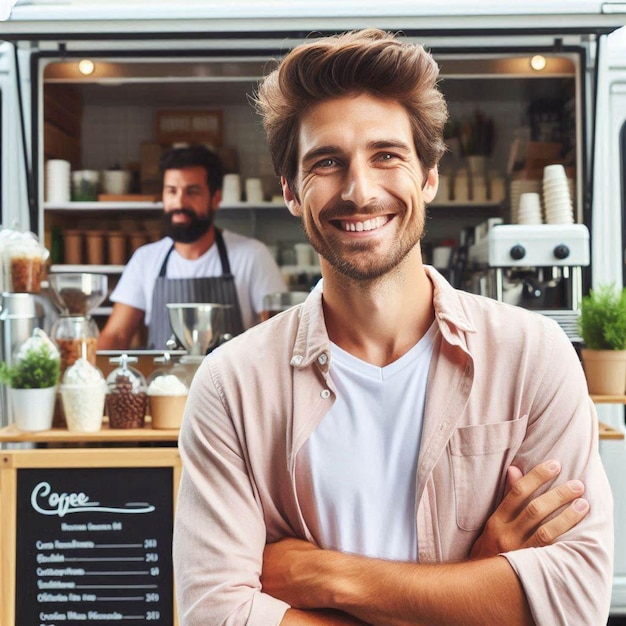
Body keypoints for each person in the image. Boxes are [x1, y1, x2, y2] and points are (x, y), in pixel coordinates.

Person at [172, 29, 613, 625]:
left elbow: (573, 603)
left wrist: (326, 578)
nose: (359, 190)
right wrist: (477, 578)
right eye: (326, 162)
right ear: (291, 192)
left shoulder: (533, 356)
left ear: (428, 175)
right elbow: (215, 614)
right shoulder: (232, 387)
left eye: (387, 155)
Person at [97, 145, 286, 349]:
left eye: (192, 191)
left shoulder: (252, 255)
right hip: (162, 380)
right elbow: (116, 335)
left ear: (215, 199)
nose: (179, 202)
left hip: (230, 381)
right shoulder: (145, 259)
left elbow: (278, 336)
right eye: (172, 191)